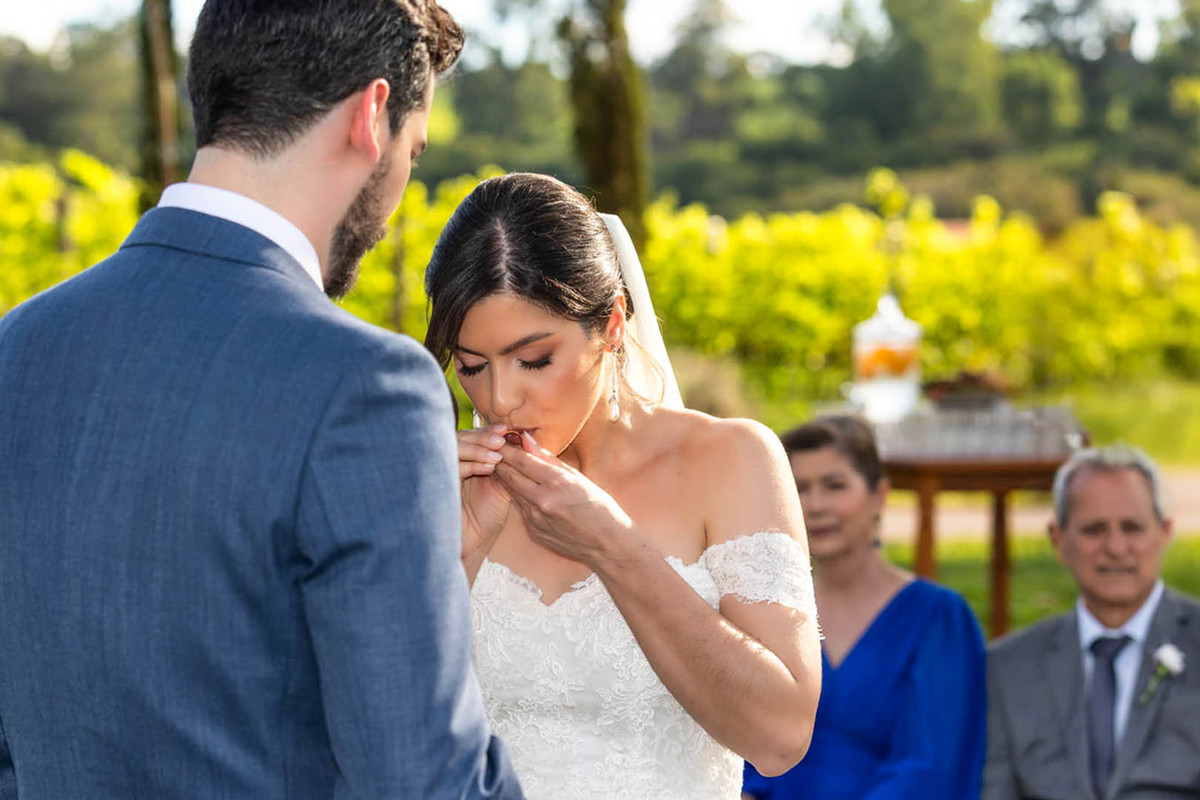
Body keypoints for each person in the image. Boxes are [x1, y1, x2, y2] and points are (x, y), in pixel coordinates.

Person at [0, 2, 523, 798]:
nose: (395, 202)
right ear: (372, 116)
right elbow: (418, 781)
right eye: (413, 152)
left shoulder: (19, 348)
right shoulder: (367, 387)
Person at [422, 172, 822, 800]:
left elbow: (780, 739)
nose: (498, 399)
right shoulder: (442, 481)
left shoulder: (732, 461)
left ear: (611, 325)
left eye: (534, 360)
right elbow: (373, 721)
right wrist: (459, 547)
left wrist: (614, 547)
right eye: (470, 366)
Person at [744, 415, 986, 800]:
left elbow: (930, 767)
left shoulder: (938, 618)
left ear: (879, 496)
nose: (816, 505)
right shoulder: (764, 614)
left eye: (835, 485)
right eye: (799, 488)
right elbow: (741, 756)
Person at [984, 445, 1200, 800]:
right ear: (1059, 540)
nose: (1115, 547)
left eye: (1132, 528)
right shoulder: (1007, 668)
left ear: (1165, 532)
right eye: (1094, 530)